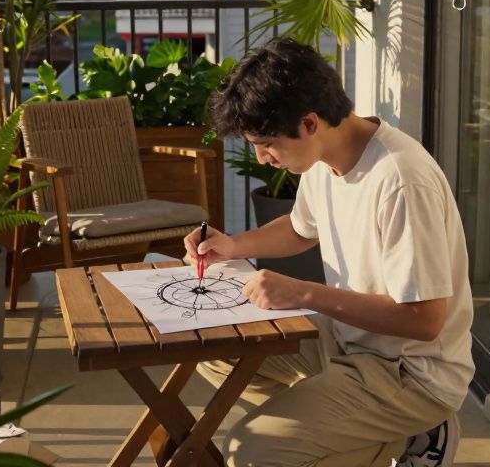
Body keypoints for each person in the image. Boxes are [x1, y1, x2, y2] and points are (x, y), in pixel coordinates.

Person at [185, 37, 473, 467]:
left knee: (253, 454)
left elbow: (426, 320)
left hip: (409, 372)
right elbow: (301, 229)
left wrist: (304, 294)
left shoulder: (400, 181)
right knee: (216, 350)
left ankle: (415, 430)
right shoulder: (326, 159)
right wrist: (232, 245)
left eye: (266, 143)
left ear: (309, 122)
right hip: (348, 341)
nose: (262, 158)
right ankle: (343, 428)